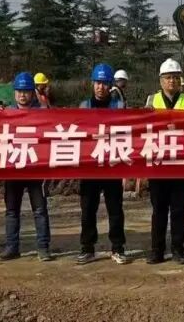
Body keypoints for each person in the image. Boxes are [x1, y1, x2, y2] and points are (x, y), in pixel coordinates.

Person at [77, 63, 129, 265]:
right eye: (97, 83)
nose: (100, 87)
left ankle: (118, 247)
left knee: (115, 209)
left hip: (111, 165)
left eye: (105, 83)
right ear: (92, 83)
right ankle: (87, 248)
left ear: (110, 85)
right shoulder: (84, 107)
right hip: (90, 166)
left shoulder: (119, 107)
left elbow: (127, 132)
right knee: (88, 209)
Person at [145, 58, 184, 265]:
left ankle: (178, 249)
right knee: (158, 210)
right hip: (158, 164)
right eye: (168, 78)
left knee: (178, 210)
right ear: (161, 80)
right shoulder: (151, 101)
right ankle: (157, 250)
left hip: (181, 164)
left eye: (175, 77)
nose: (172, 81)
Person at [0, 72, 52, 262]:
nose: (22, 95)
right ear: (14, 93)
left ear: (32, 93)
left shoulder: (42, 114)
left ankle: (43, 247)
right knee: (12, 210)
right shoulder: (6, 114)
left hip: (35, 168)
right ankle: (12, 247)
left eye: (26, 91)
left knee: (40, 210)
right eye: (19, 91)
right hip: (14, 167)